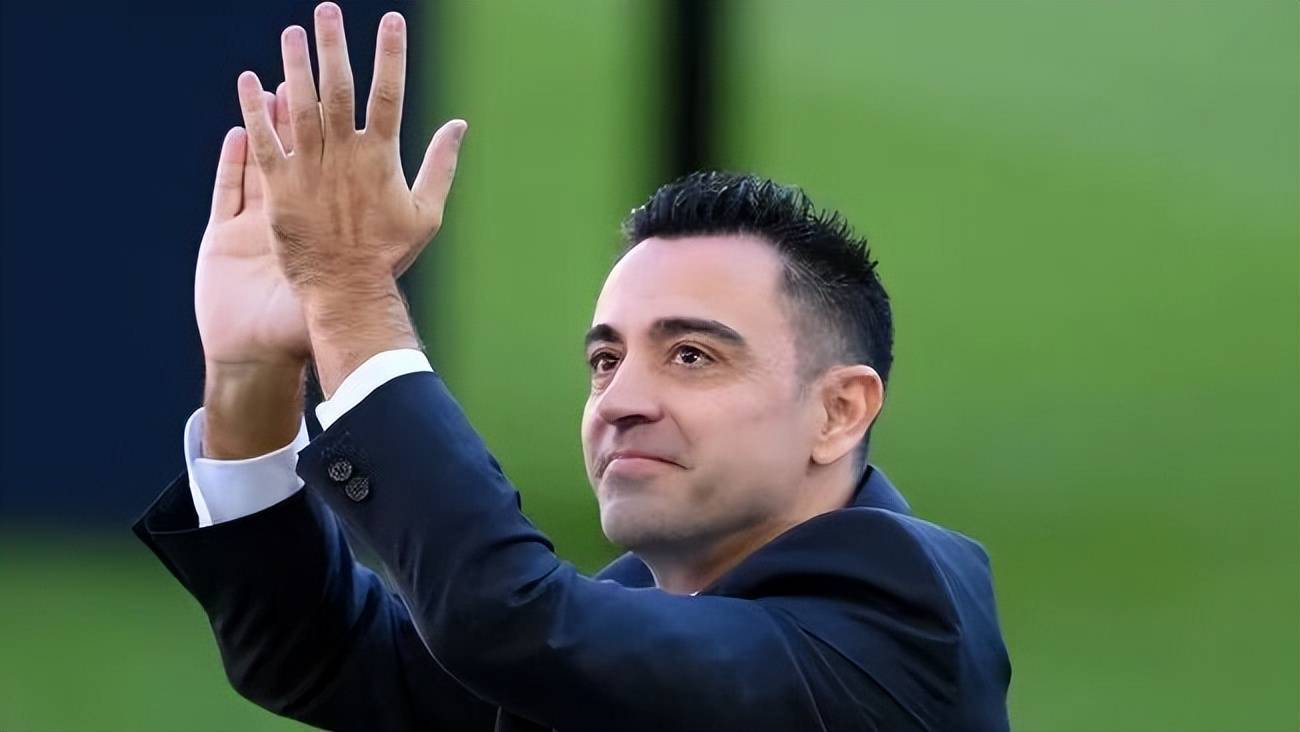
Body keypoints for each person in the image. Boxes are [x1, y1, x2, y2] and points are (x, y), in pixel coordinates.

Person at [133, 4, 1011, 730]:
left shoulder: (894, 623)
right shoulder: (653, 602)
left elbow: (504, 618)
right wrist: (251, 374)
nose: (621, 400)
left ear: (839, 411)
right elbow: (322, 657)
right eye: (605, 358)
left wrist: (351, 293)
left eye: (692, 355)